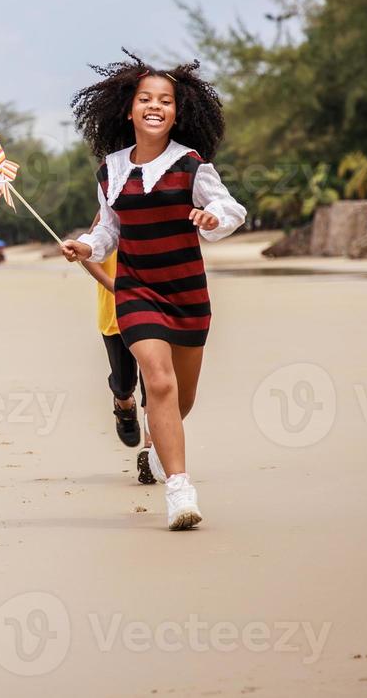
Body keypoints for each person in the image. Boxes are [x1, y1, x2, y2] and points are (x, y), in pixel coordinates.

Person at [60, 51, 246, 531]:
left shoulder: (191, 164)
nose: (155, 106)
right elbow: (109, 230)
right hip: (137, 289)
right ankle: (180, 490)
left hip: (187, 294)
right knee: (158, 383)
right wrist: (85, 245)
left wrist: (211, 219)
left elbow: (232, 210)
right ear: (129, 109)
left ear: (177, 112)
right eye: (146, 98)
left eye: (165, 100)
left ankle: (162, 444)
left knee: (181, 398)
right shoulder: (111, 170)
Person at [78, 213, 146, 453]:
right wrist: (112, 285)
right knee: (124, 382)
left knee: (156, 383)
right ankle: (123, 405)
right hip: (115, 317)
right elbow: (87, 257)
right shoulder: (109, 207)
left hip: (151, 310)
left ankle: (151, 449)